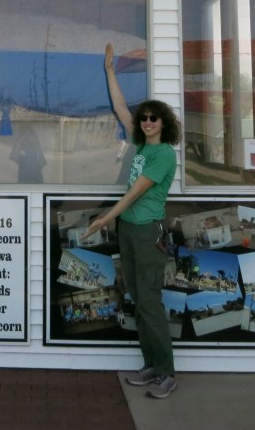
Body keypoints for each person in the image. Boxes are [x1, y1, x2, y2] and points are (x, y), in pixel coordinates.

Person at [81, 43, 181, 400]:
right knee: (138, 299)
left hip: (147, 234)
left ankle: (166, 371)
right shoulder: (139, 143)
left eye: (154, 118)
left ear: (164, 123)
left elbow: (133, 194)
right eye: (145, 118)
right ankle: (151, 364)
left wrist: (104, 219)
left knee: (149, 302)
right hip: (129, 230)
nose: (147, 121)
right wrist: (110, 70)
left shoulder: (163, 154)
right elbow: (121, 108)